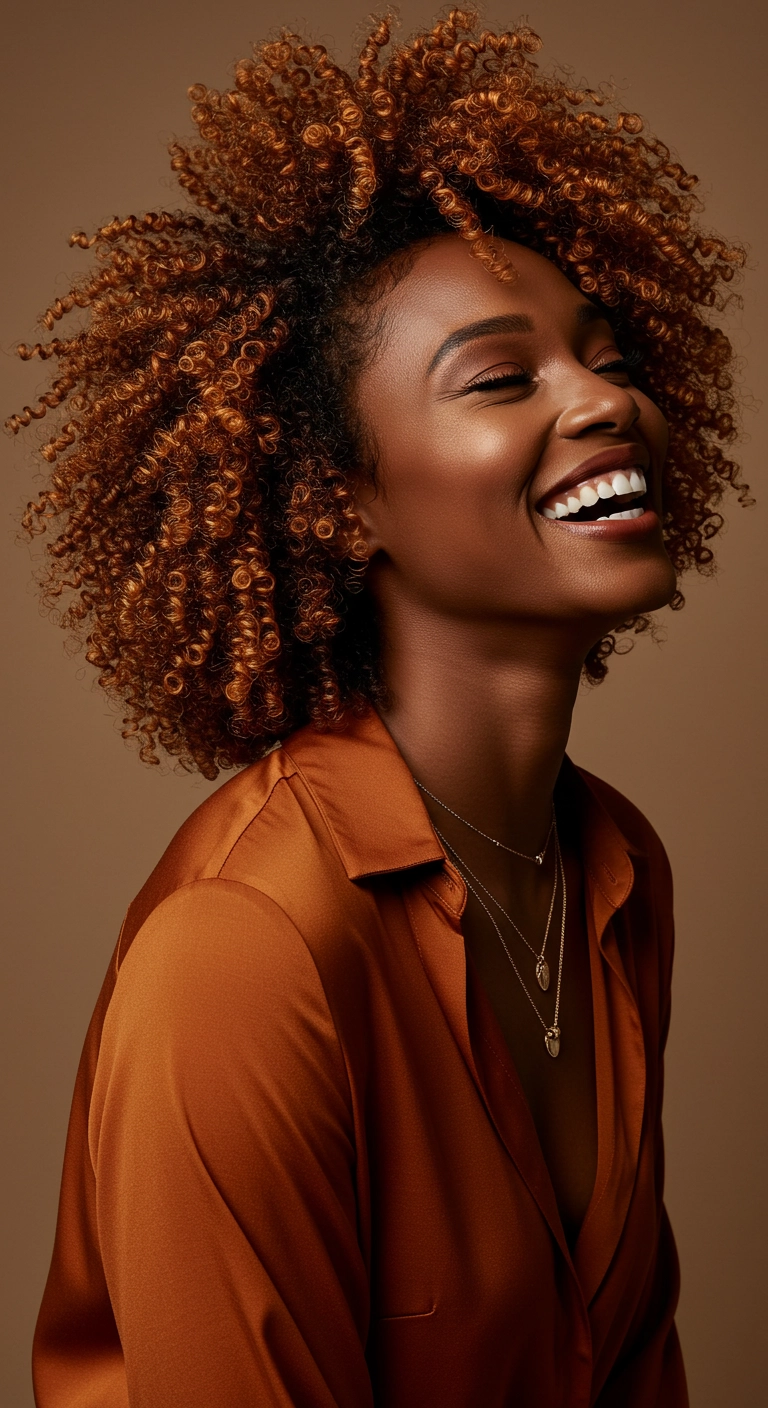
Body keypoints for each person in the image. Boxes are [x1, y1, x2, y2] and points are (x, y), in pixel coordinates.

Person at [11, 10, 748, 1406]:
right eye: (500, 378)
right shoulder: (245, 953)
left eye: (605, 355)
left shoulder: (614, 871)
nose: (604, 401)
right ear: (340, 499)